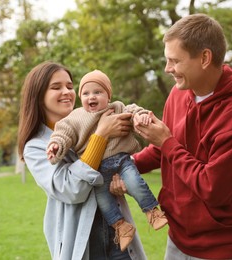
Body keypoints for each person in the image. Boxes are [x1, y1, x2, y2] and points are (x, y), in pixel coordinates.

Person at [111, 14, 232, 259]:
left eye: (175, 60)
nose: (167, 69)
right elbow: (164, 150)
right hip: (178, 239)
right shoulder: (178, 93)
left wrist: (165, 141)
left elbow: (212, 188)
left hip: (223, 248)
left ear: (205, 58)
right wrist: (125, 168)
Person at [18, 62, 147, 260]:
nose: (67, 92)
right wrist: (101, 136)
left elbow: (120, 159)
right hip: (83, 242)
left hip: (119, 236)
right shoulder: (36, 146)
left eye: (70, 86)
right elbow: (71, 189)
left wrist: (120, 181)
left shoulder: (91, 121)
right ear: (38, 95)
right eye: (56, 87)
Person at [46, 70, 168, 251]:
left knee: (135, 183)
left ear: (108, 96)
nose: (91, 97)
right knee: (104, 200)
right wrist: (56, 145)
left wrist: (140, 116)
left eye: (97, 92)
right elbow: (63, 132)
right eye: (86, 93)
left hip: (122, 161)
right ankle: (121, 227)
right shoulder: (76, 116)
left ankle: (152, 212)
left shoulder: (117, 107)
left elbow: (133, 111)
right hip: (98, 171)